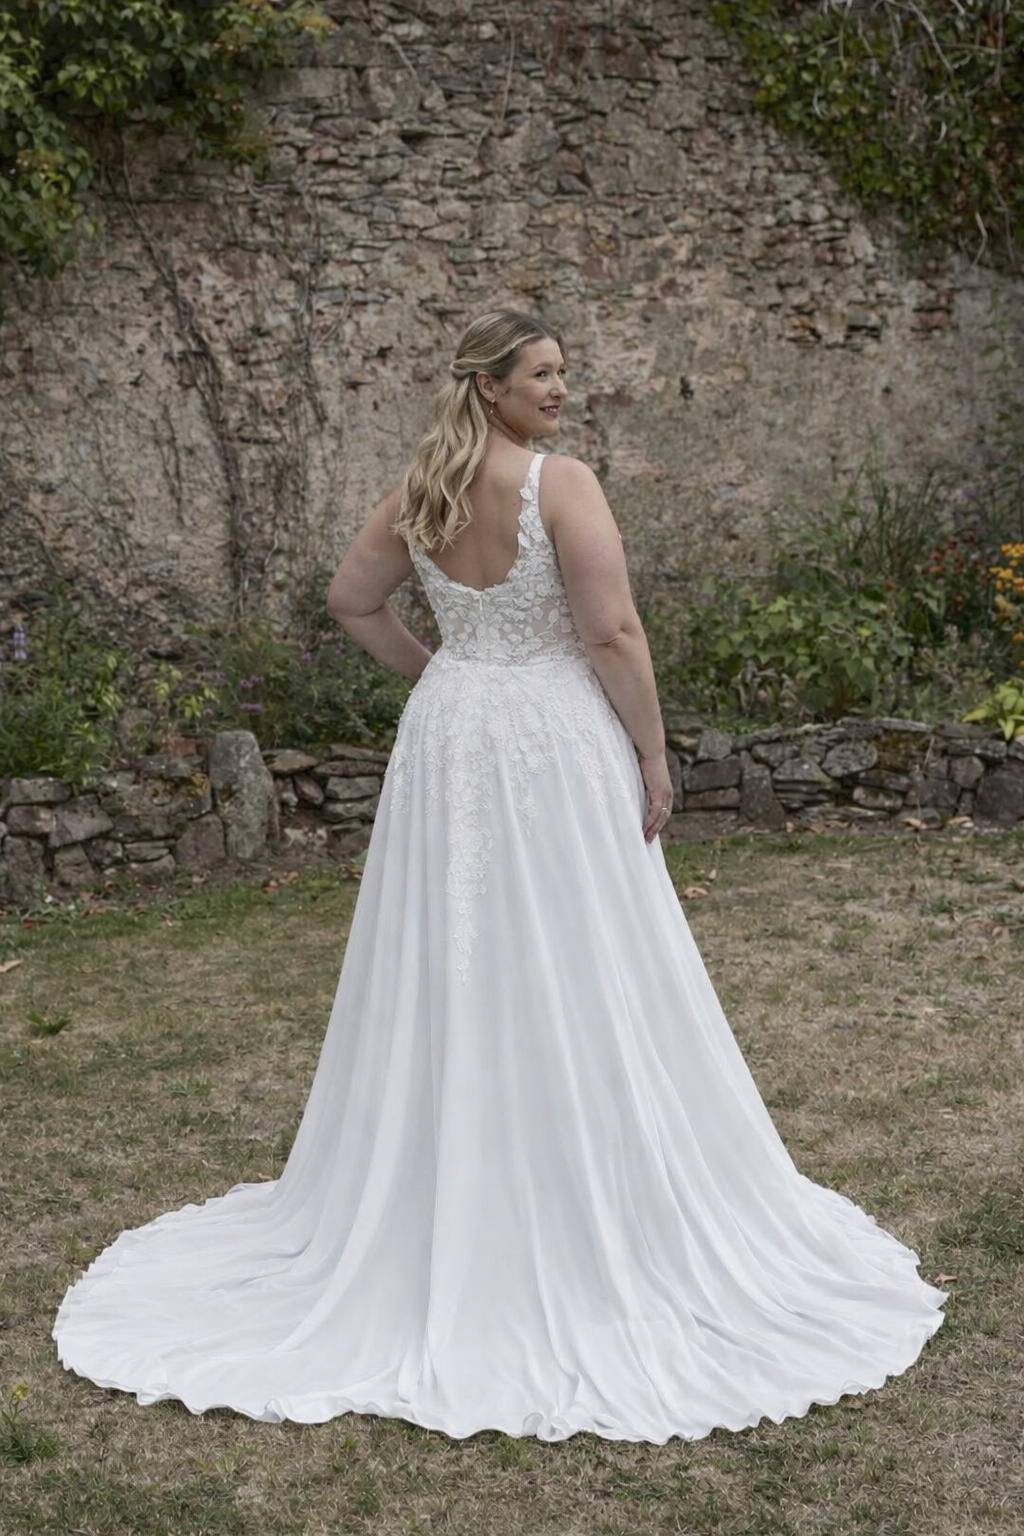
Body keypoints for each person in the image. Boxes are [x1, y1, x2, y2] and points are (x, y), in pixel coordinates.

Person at [53, 308, 947, 1444]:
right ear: (488, 385)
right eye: (540, 374)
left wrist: (442, 669)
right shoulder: (561, 485)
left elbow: (350, 600)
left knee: (454, 944)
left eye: (563, 372)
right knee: (580, 938)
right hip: (550, 736)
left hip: (450, 732)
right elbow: (612, 634)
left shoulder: (424, 485)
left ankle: (450, 1171)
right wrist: (654, 754)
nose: (559, 389)